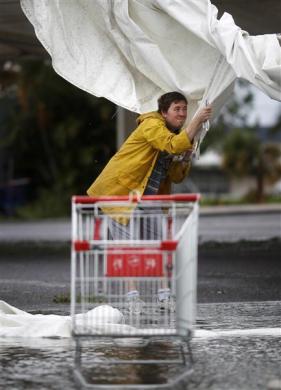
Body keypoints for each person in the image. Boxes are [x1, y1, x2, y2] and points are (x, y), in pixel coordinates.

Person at [87, 91, 212, 312]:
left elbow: (176, 176)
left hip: (151, 196)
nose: (182, 114)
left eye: (184, 110)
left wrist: (184, 159)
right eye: (177, 109)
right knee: (128, 248)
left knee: (159, 245)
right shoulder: (151, 125)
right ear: (163, 112)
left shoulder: (177, 135)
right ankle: (132, 298)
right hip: (122, 192)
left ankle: (164, 296)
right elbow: (171, 145)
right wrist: (197, 120)